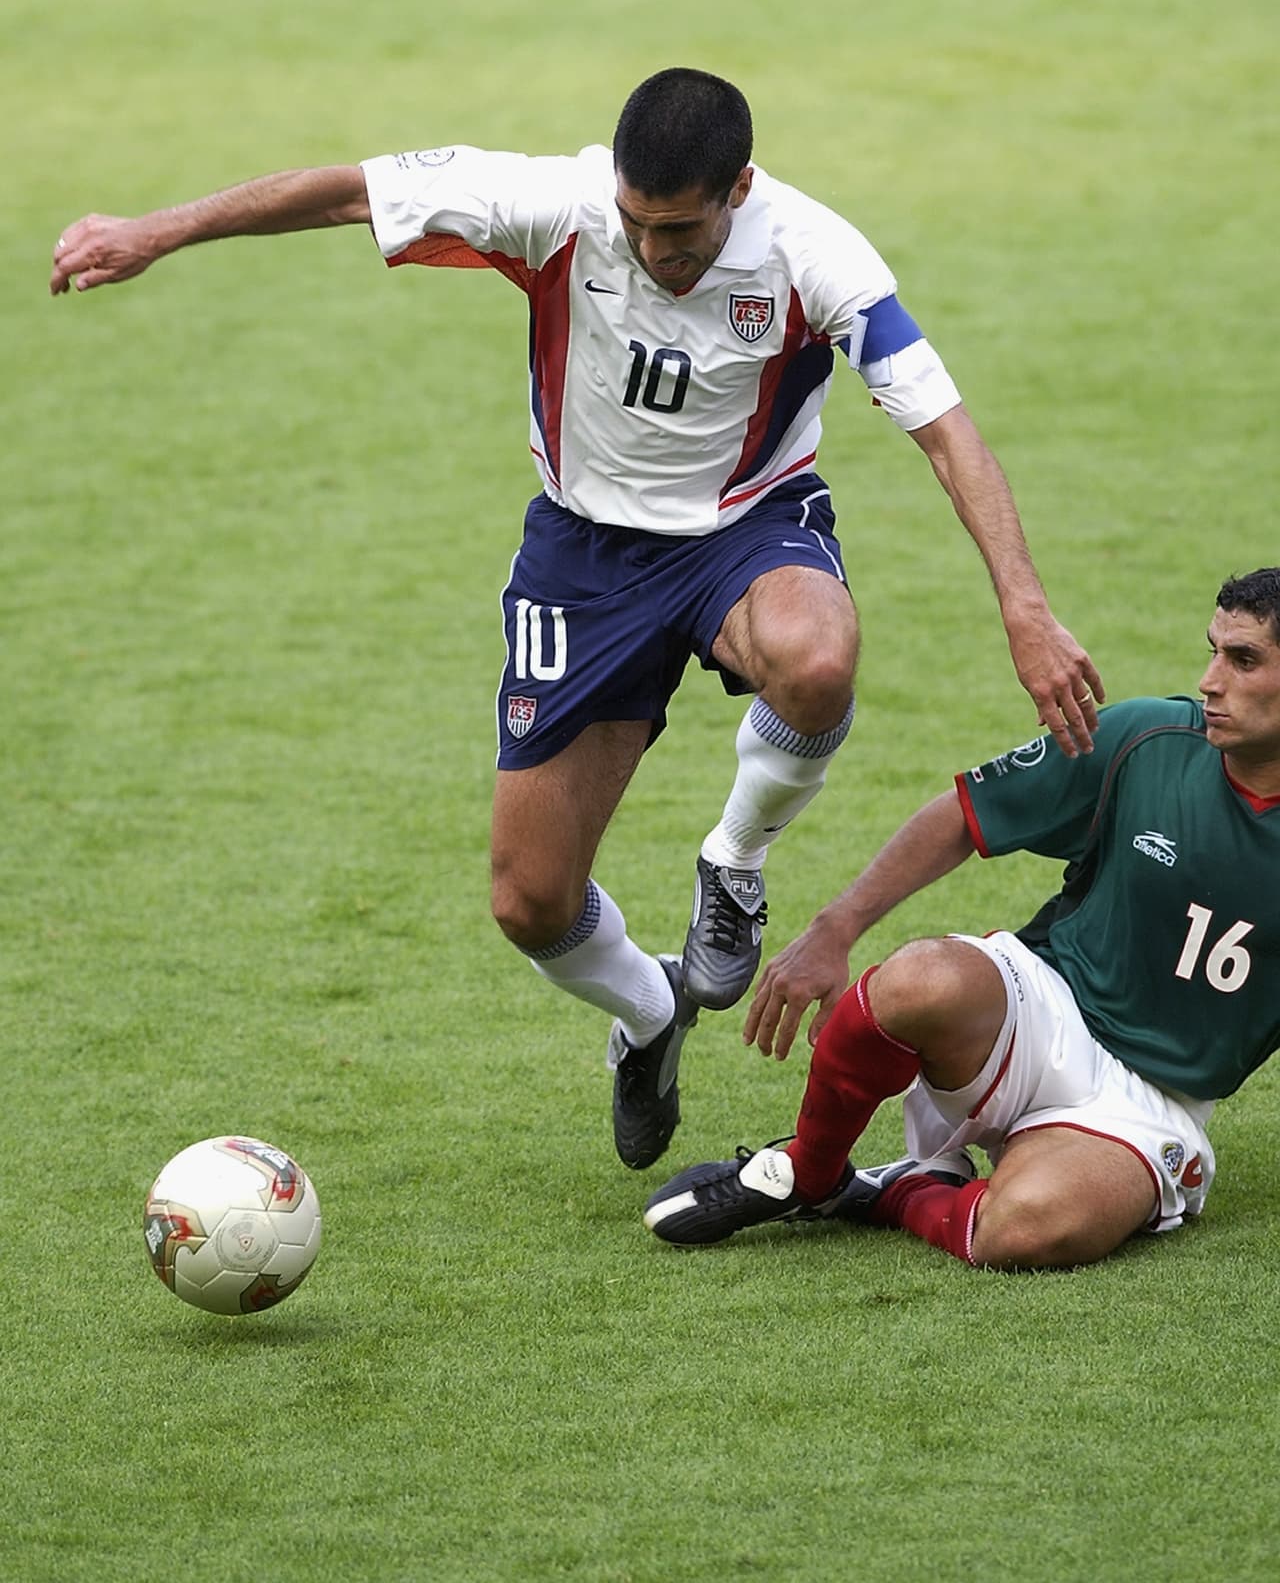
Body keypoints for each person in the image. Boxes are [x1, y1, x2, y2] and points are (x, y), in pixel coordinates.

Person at [50, 67, 1102, 1174]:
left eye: (680, 230)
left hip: (746, 530)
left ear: (739, 189)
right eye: (637, 224)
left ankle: (733, 863)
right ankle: (649, 1013)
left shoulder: (814, 255)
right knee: (530, 899)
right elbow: (349, 190)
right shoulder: (556, 205)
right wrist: (155, 231)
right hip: (583, 556)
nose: (653, 250)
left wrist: (1023, 607)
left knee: (817, 658)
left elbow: (945, 430)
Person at [644, 568, 1280, 1267]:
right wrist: (836, 928)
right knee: (919, 979)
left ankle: (896, 1190)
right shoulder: (1148, 740)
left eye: (1243, 660)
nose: (1210, 680)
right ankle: (808, 1171)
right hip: (1043, 1005)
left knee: (1026, 1230)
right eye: (1213, 651)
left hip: (1155, 1104)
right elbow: (963, 816)